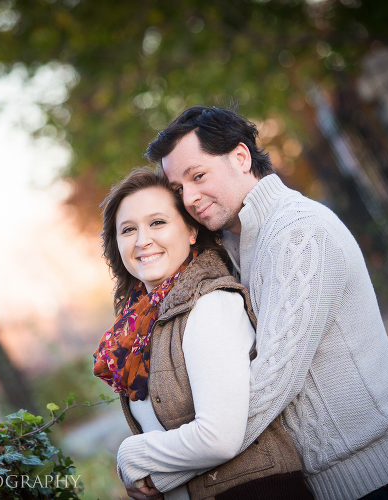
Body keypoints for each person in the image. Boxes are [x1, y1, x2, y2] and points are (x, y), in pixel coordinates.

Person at [145, 105, 388, 500]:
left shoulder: (300, 232)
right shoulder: (238, 247)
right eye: (179, 189)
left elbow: (273, 378)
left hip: (387, 481)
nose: (190, 197)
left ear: (240, 157)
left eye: (198, 176)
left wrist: (166, 465)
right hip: (333, 488)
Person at [93, 168, 314, 500]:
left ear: (191, 230)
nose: (142, 240)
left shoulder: (210, 305)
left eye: (157, 222)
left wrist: (134, 456)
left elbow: (218, 437)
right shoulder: (140, 330)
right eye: (128, 229)